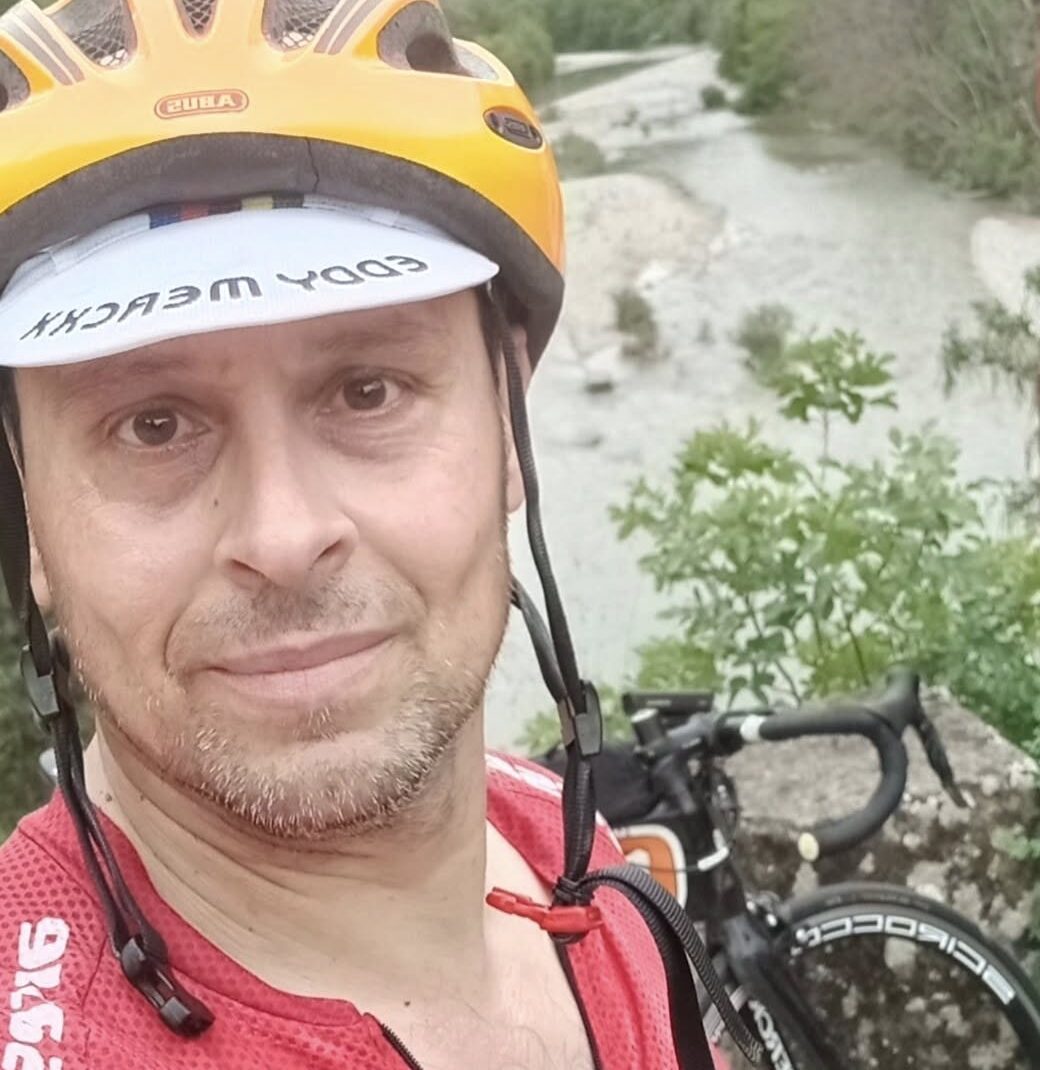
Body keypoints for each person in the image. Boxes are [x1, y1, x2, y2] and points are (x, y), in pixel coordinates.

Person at [0, 2, 741, 1068]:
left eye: (368, 389)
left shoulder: (561, 841)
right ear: (27, 508)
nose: (284, 533)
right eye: (152, 425)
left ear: (509, 422)